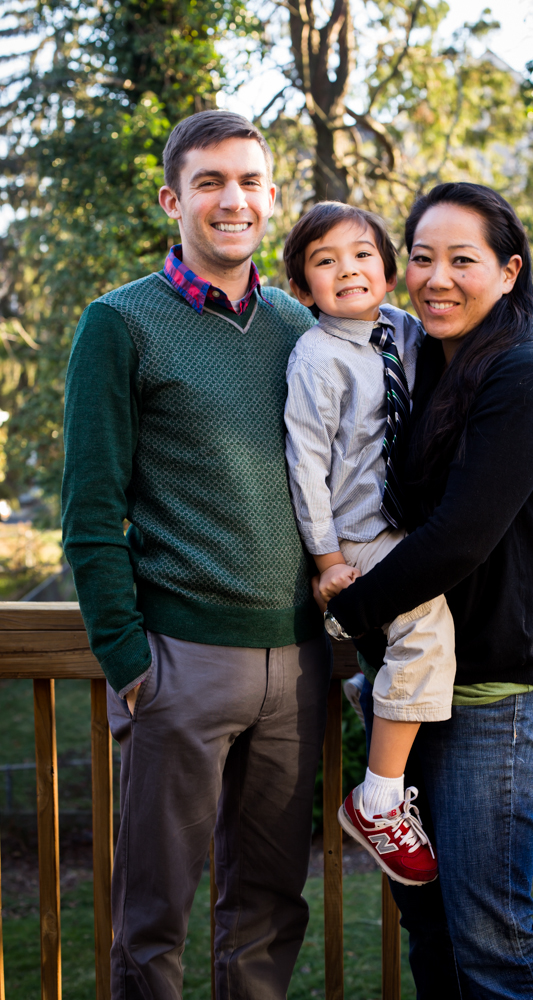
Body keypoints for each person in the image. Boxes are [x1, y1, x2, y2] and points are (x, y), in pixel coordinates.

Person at [61, 110, 330, 1000]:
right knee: (154, 919)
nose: (232, 199)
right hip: (179, 663)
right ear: (174, 198)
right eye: (210, 181)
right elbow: (90, 512)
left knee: (268, 910)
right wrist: (130, 663)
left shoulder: (303, 326)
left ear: (271, 198)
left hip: (298, 664)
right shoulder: (120, 323)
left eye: (250, 180)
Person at [327, 182, 533, 999]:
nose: (437, 277)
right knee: (431, 936)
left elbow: (456, 540)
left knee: (492, 940)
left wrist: (347, 612)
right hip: (414, 696)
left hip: (491, 698)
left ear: (508, 272)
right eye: (423, 258)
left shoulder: (523, 374)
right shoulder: (424, 361)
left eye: (461, 260)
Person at [283, 202, 456, 887]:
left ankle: (369, 688)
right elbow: (304, 462)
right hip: (360, 533)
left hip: (408, 524)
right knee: (426, 628)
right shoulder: (315, 357)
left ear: (388, 271)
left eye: (360, 255)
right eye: (324, 262)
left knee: (431, 616)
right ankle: (377, 799)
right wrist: (327, 561)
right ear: (303, 290)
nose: (346, 269)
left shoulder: (412, 334)